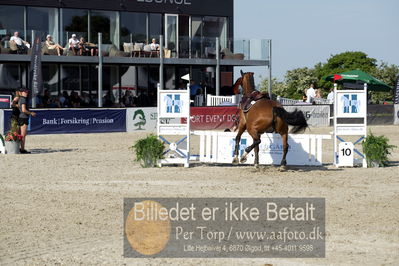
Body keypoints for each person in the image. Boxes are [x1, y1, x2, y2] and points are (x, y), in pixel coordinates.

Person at [18, 88, 36, 154]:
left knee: (20, 134)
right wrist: (31, 113)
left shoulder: (20, 99)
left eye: (27, 92)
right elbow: (24, 110)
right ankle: (22, 149)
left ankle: (19, 148)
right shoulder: (23, 99)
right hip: (23, 118)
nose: (26, 93)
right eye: (25, 92)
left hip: (21, 117)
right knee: (23, 135)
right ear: (21, 92)